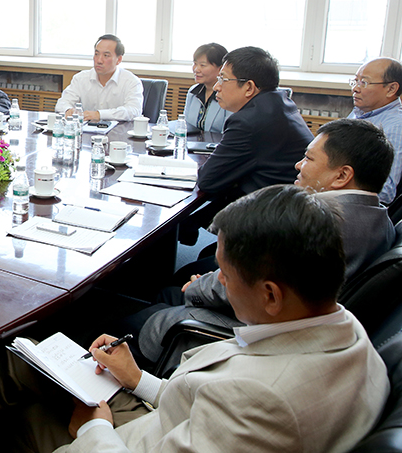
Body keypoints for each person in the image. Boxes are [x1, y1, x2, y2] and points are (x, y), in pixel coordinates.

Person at [34, 185, 390, 453]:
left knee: (18, 393)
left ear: (270, 295)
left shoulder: (264, 399)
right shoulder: (347, 329)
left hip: (127, 439)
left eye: (225, 273)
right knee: (35, 364)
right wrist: (140, 379)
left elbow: (235, 403)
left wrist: (93, 429)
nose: (218, 280)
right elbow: (207, 407)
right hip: (167, 417)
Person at [136, 118, 397, 363]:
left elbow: (253, 282)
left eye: (308, 158)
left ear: (341, 175)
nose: (298, 165)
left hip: (262, 330)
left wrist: (199, 287)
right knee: (168, 291)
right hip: (305, 325)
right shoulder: (379, 218)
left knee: (139, 318)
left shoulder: (319, 221)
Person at [196, 46, 312, 199]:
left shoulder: (248, 122)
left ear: (249, 87)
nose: (217, 87)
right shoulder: (281, 103)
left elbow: (207, 180)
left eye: (223, 79)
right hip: (296, 199)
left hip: (273, 206)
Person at [348, 57, 402, 203]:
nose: (355, 88)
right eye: (355, 81)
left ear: (391, 89)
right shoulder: (361, 112)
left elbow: (384, 191)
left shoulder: (395, 127)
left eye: (364, 82)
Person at [54, 35, 143, 122]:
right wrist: (68, 110)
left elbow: (134, 110)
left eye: (106, 55)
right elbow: (62, 103)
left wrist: (99, 115)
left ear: (119, 59)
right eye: (96, 54)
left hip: (119, 131)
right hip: (86, 130)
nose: (99, 60)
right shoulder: (81, 78)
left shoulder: (131, 81)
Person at [183, 42, 231, 134]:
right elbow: (185, 126)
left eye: (202, 65)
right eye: (195, 64)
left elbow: (228, 133)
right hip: (192, 142)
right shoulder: (193, 92)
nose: (196, 69)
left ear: (221, 69)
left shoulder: (228, 95)